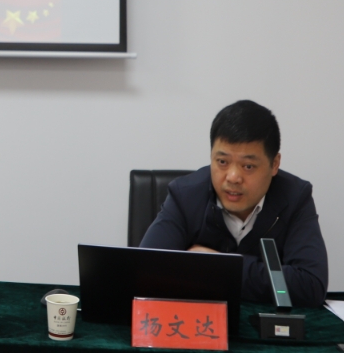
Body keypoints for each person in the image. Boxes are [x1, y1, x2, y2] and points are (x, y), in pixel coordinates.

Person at [139, 100, 329, 307]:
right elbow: (147, 271)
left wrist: (217, 266)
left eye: (248, 166)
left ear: (274, 164)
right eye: (222, 162)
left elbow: (311, 286)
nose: (233, 177)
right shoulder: (185, 195)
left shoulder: (295, 198)